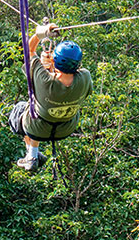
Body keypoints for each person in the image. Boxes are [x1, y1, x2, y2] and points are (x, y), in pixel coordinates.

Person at [8, 24, 93, 173]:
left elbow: (29, 51)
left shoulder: (44, 80)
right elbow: (65, 82)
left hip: (37, 129)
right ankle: (33, 155)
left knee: (20, 110)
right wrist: (51, 68)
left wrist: (40, 34)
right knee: (42, 108)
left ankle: (32, 155)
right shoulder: (85, 77)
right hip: (66, 128)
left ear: (56, 60)